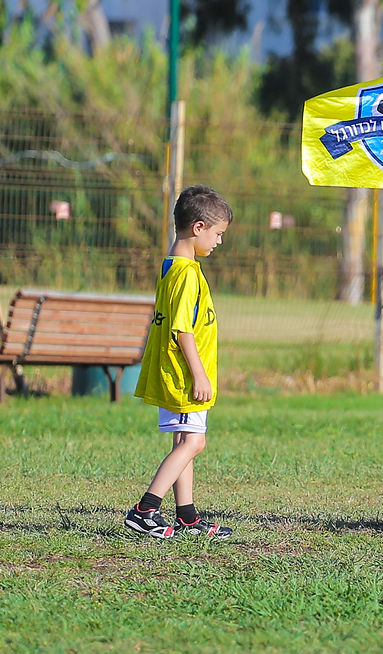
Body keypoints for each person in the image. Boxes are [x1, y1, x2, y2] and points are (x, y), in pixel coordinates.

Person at [124, 185, 234, 539]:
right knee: (194, 443)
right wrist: (199, 375)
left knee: (184, 441)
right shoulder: (186, 273)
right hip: (185, 375)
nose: (219, 241)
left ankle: (186, 516)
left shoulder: (171, 265)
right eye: (217, 234)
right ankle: (145, 510)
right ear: (198, 227)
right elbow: (182, 329)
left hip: (174, 371)